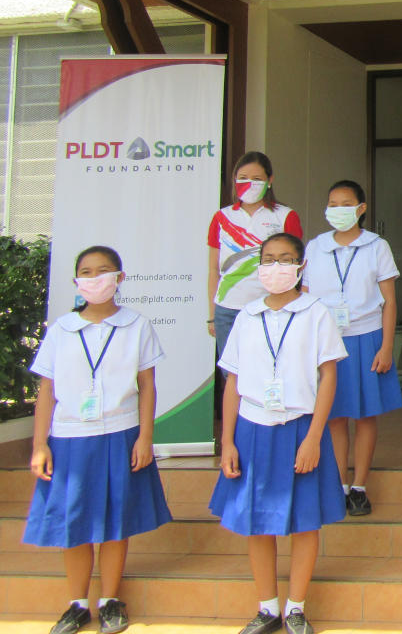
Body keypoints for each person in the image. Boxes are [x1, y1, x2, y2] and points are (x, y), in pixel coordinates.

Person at [24, 246, 172, 634]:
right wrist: (40, 445)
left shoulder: (136, 325)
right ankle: (76, 604)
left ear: (119, 278)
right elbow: (46, 391)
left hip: (120, 434)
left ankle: (110, 600)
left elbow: (147, 386)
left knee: (115, 521)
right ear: (77, 282)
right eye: (87, 272)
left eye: (104, 270)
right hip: (70, 438)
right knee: (73, 523)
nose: (95, 278)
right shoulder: (61, 329)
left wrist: (145, 437)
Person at [209, 233, 347, 634]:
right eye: (268, 259)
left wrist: (314, 437)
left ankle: (296, 607)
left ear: (301, 265)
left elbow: (328, 378)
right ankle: (268, 606)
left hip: (300, 427)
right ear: (258, 265)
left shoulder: (315, 313)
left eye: (285, 259)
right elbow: (232, 383)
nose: (276, 267)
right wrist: (229, 441)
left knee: (304, 522)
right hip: (253, 430)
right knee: (257, 521)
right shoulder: (247, 317)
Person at [302, 179, 401, 516]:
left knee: (365, 415)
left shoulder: (376, 246)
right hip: (326, 342)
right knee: (334, 416)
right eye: (333, 203)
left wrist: (387, 346)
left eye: (346, 204)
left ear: (361, 209)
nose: (338, 210)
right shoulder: (315, 247)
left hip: (367, 336)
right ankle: (338, 485)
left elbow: (389, 301)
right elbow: (304, 299)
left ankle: (359, 486)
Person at [207, 151, 303, 358]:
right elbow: (213, 269)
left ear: (270, 181)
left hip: (270, 308)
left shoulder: (285, 215)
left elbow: (297, 267)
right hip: (227, 311)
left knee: (267, 369)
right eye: (242, 178)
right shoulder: (222, 217)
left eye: (257, 179)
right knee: (232, 375)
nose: (249, 183)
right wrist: (212, 315)